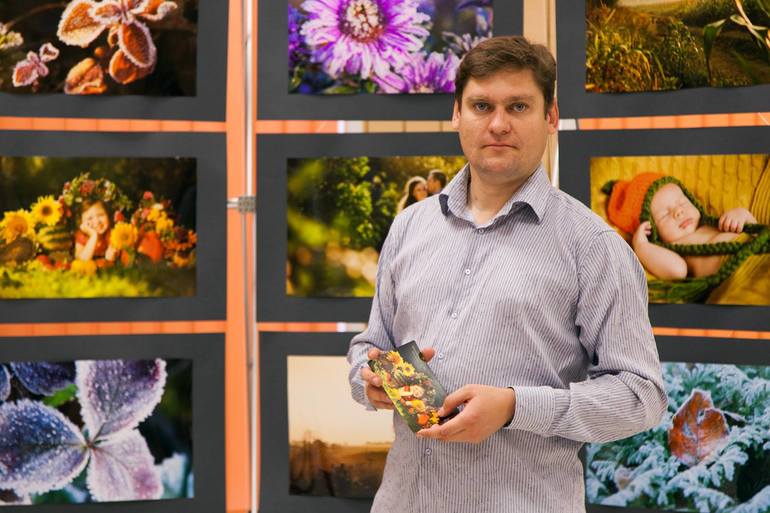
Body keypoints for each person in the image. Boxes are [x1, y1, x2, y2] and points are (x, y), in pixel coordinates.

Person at [347, 35, 667, 513]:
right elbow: (371, 343)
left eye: (518, 106)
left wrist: (516, 407)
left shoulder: (593, 246)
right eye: (482, 106)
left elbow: (641, 396)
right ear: (457, 114)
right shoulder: (409, 226)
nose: (498, 124)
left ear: (551, 116)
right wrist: (371, 379)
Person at [604, 172, 758, 279]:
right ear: (652, 232)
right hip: (738, 276)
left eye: (683, 203)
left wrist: (742, 215)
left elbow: (755, 230)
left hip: (759, 251)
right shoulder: (673, 249)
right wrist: (642, 247)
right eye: (664, 215)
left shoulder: (715, 224)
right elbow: (678, 271)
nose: (678, 212)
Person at [74, 199, 116, 264]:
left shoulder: (111, 233)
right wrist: (94, 235)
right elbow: (82, 260)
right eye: (89, 218)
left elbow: (113, 255)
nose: (97, 221)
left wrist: (113, 254)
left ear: (108, 215)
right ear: (82, 223)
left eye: (100, 215)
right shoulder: (82, 235)